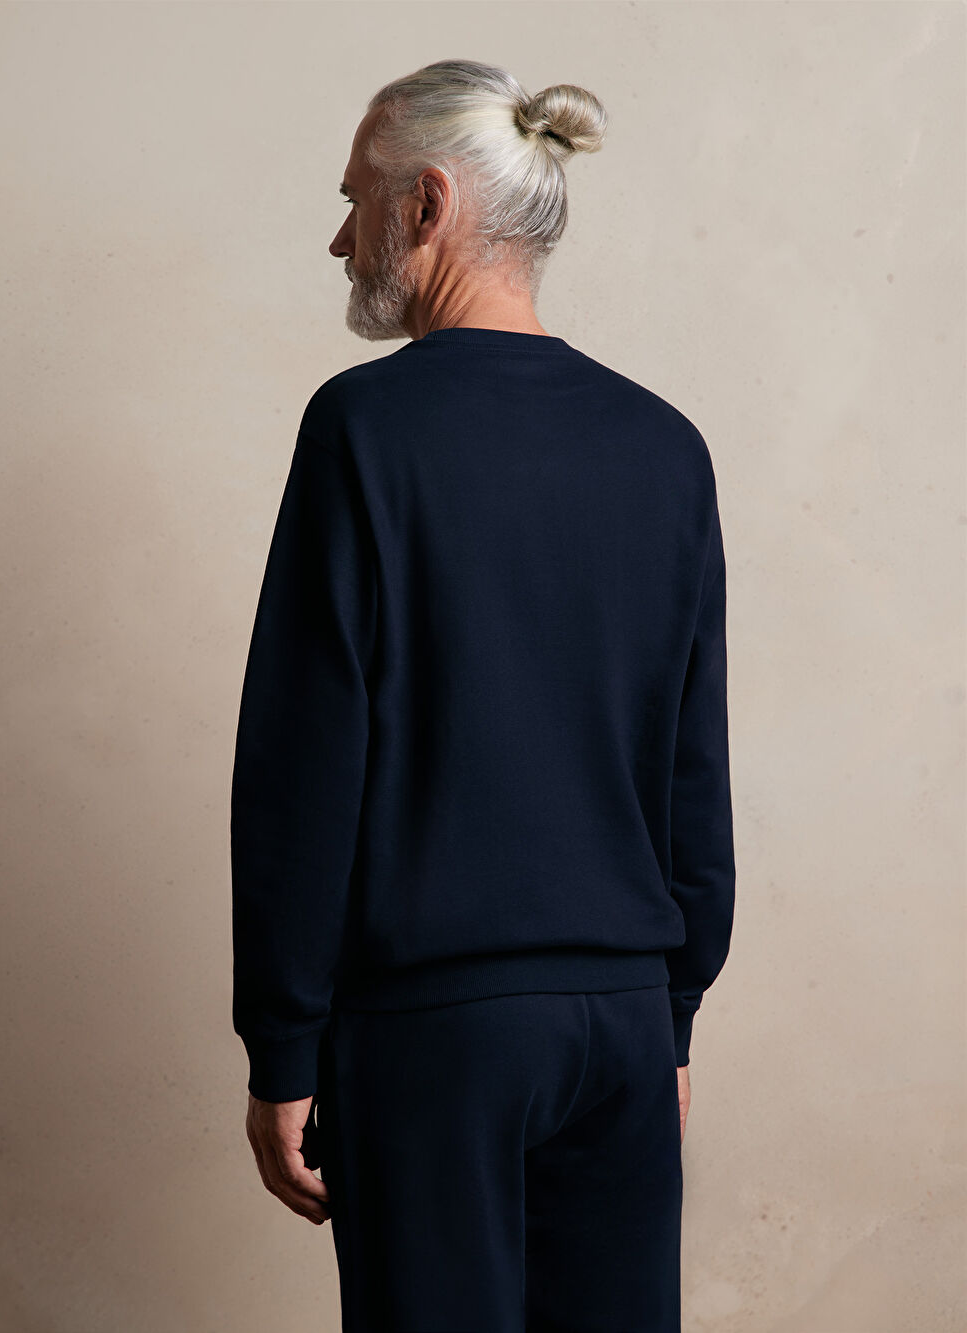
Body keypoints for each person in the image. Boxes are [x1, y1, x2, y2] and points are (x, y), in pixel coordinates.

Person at [230, 57, 735, 1333]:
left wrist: (282, 1045)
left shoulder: (365, 430)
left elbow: (304, 760)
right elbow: (690, 764)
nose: (340, 239)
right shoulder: (664, 445)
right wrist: (669, 1017)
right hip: (622, 1024)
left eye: (355, 199)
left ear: (428, 203)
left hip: (435, 1030)